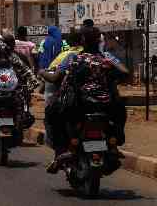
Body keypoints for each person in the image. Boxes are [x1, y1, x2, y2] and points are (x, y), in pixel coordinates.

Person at [41, 26, 128, 173]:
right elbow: (125, 72)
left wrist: (42, 72)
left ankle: (60, 151)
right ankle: (114, 143)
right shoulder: (106, 57)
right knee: (120, 111)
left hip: (79, 106)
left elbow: (55, 77)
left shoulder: (73, 57)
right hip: (106, 105)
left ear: (82, 40)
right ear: (99, 40)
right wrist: (110, 70)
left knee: (51, 113)